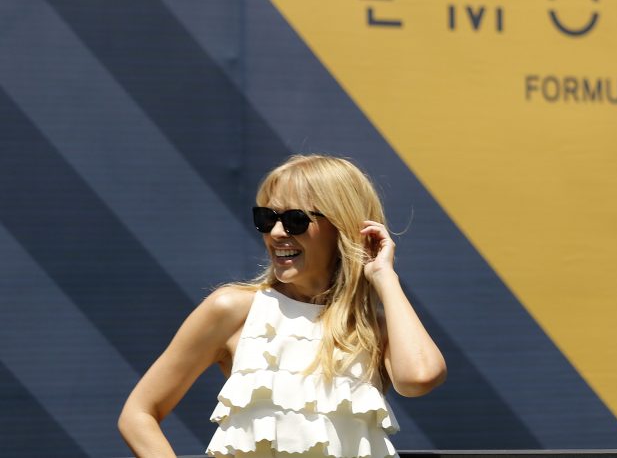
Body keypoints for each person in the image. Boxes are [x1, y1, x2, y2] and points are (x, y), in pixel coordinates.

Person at [119, 154, 446, 457]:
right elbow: (138, 413)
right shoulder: (233, 309)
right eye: (267, 218)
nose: (276, 232)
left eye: (295, 220)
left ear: (342, 226)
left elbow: (420, 377)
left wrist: (384, 276)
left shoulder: (373, 327)